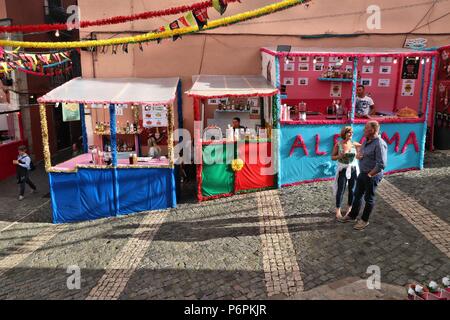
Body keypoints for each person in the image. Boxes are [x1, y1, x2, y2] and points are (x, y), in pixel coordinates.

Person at [338, 121, 387, 230]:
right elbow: (362, 152)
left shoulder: (379, 143)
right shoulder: (366, 140)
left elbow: (381, 164)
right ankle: (352, 216)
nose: (364, 130)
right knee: (357, 194)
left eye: (366, 128)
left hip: (372, 175)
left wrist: (370, 174)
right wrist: (360, 156)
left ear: (372, 130)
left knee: (369, 198)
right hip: (363, 173)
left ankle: (364, 220)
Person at [331, 126, 361, 219]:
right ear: (344, 134)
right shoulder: (338, 144)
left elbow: (359, 156)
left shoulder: (354, 144)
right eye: (349, 132)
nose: (351, 134)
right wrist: (340, 156)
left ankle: (349, 209)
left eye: (352, 132)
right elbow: (332, 157)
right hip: (343, 169)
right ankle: (338, 211)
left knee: (352, 190)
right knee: (341, 190)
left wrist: (359, 155)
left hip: (353, 169)